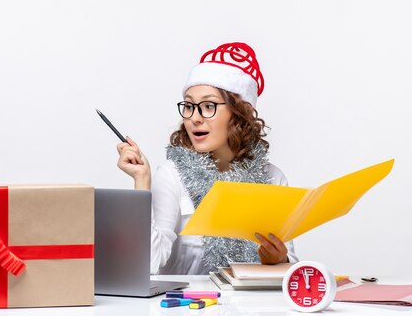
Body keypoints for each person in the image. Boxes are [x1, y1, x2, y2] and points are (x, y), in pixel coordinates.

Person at [117, 42, 298, 275]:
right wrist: (142, 183)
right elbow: (149, 262)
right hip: (184, 307)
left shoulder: (273, 178)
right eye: (190, 106)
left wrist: (279, 258)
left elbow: (290, 270)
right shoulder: (172, 175)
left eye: (208, 106)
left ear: (238, 113)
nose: (195, 118)